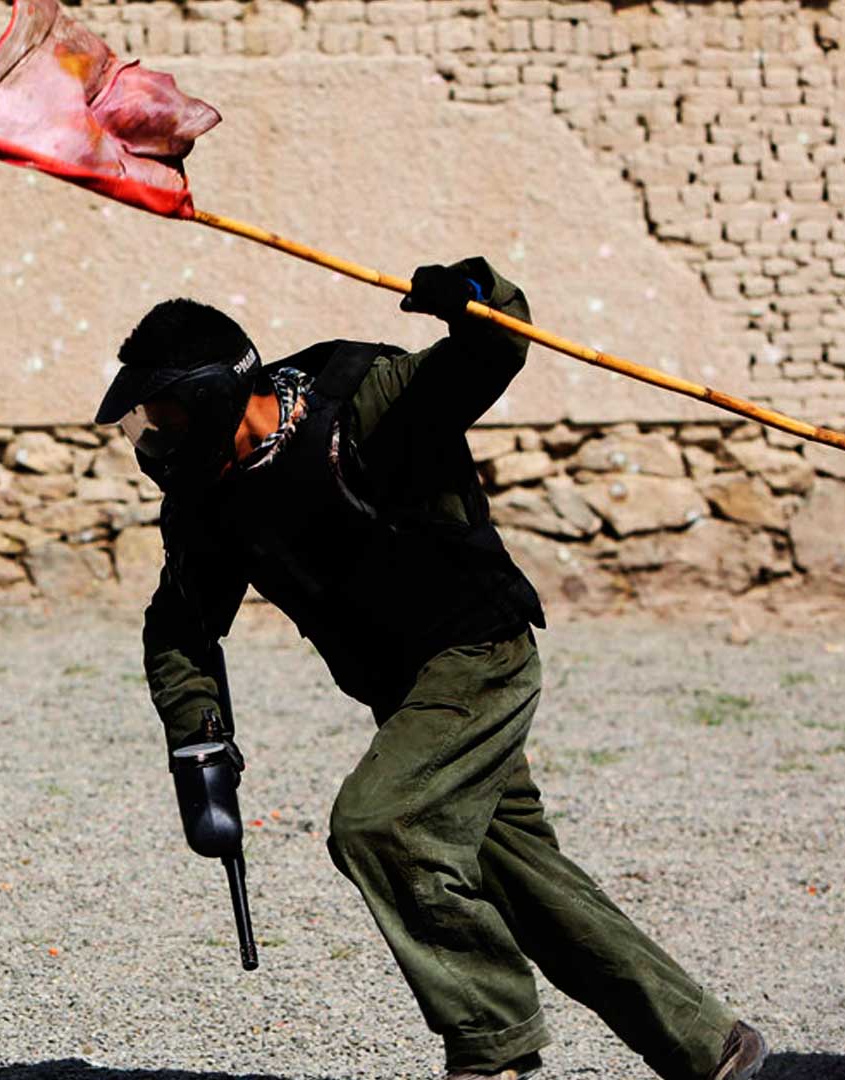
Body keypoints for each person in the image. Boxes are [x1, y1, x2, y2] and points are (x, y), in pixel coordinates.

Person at [95, 258, 767, 1080]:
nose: (155, 444)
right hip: (404, 690)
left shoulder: (363, 403)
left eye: (163, 421)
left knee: (381, 823)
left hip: (479, 653)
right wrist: (199, 745)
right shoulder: (210, 499)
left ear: (211, 400)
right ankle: (712, 1046)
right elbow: (182, 625)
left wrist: (477, 299)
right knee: (524, 879)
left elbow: (489, 356)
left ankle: (493, 1052)